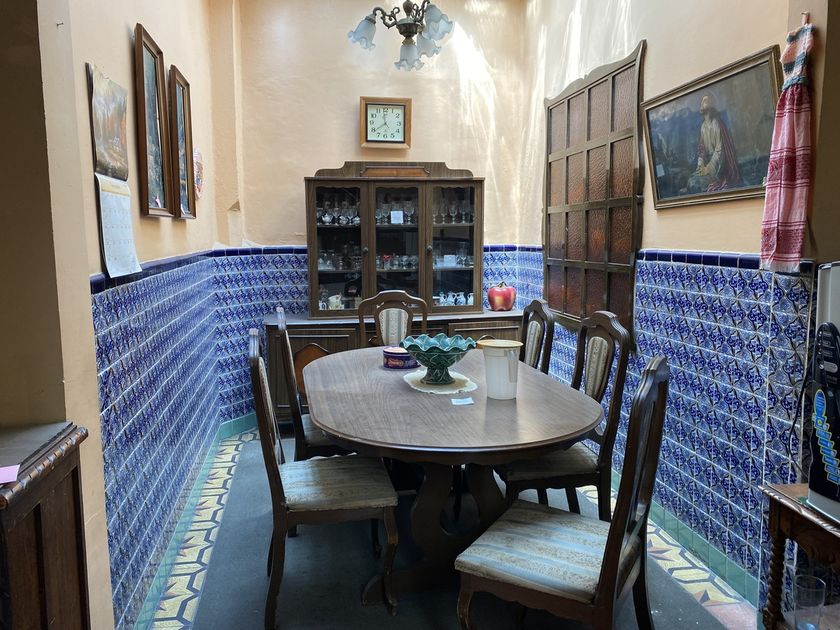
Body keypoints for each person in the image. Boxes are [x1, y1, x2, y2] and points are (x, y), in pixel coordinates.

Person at [686, 93, 741, 193]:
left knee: (697, 184)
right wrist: (700, 165)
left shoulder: (716, 124)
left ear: (711, 105)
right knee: (691, 181)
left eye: (705, 101)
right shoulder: (703, 127)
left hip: (719, 166)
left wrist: (707, 169)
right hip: (709, 164)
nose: (701, 103)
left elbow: (719, 151)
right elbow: (701, 148)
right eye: (702, 101)